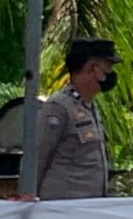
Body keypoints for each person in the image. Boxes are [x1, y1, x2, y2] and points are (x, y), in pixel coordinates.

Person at [30, 38, 117, 201]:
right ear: (92, 68)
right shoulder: (59, 106)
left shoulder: (89, 107)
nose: (111, 77)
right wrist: (29, 195)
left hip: (86, 210)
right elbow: (38, 155)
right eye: (107, 71)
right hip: (61, 208)